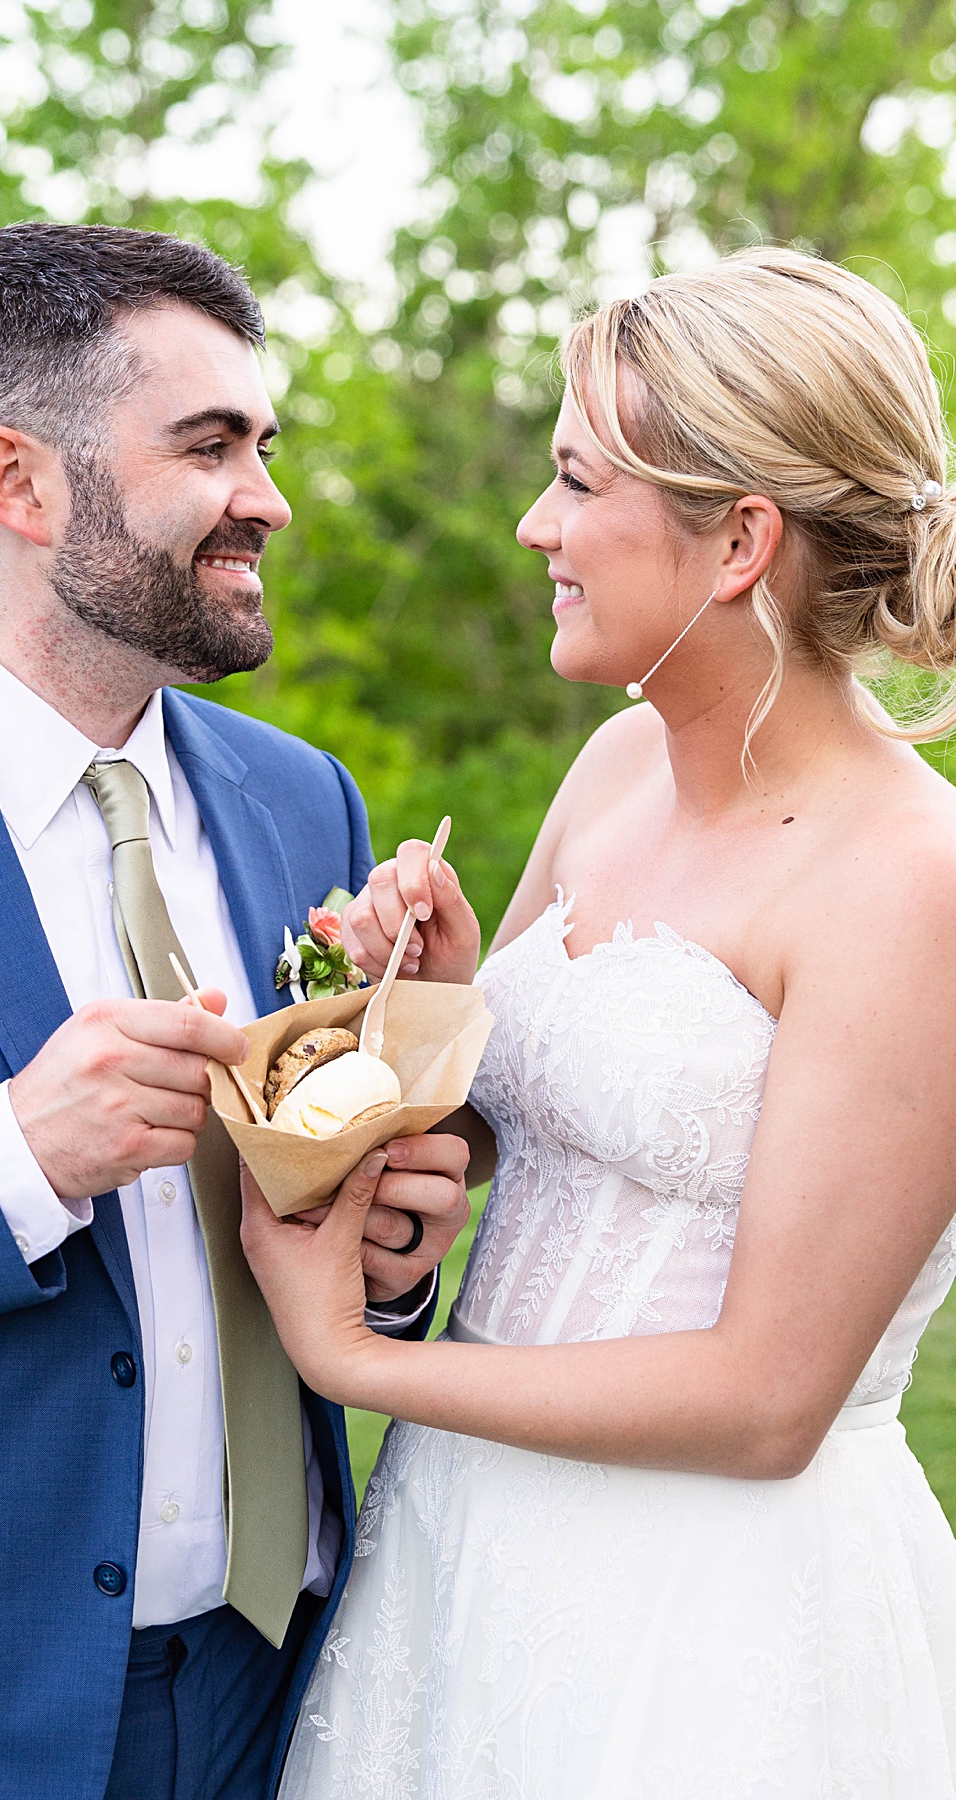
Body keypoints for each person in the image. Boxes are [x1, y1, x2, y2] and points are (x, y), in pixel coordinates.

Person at [0, 221, 472, 1800]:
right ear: (19, 481)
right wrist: (14, 1155)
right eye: (211, 446)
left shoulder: (308, 803)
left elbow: (313, 1245)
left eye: (265, 444)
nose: (269, 498)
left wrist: (390, 1249)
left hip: (276, 1691)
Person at [243, 249, 956, 1796]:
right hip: (470, 1552)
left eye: (576, 482)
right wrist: (429, 1005)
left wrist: (353, 1360)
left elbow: (769, 1401)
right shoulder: (619, 766)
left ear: (738, 542)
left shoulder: (913, 885)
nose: (535, 527)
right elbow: (522, 1129)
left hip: (710, 1610)